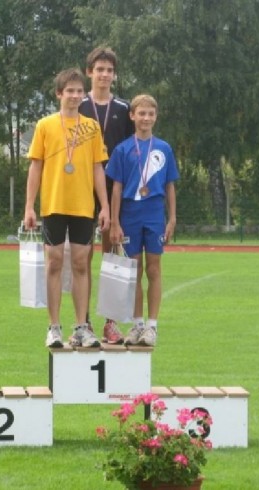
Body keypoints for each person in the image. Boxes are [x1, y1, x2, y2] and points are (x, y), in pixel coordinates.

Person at [24, 68, 110, 349]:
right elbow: (35, 167)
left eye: (79, 91)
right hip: (53, 205)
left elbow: (98, 168)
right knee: (54, 263)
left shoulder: (92, 127)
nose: (74, 95)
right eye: (69, 91)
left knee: (81, 264)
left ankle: (82, 327)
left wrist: (105, 206)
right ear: (59, 94)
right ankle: (54, 328)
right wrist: (29, 206)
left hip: (83, 206)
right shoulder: (45, 125)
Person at [105, 94, 179, 347]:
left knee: (154, 269)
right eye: (141, 113)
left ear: (156, 117)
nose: (146, 118)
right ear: (132, 116)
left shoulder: (164, 148)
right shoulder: (122, 149)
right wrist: (115, 222)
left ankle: (152, 326)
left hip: (155, 214)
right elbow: (116, 188)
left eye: (150, 114)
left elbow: (170, 186)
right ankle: (137, 325)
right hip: (130, 215)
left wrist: (172, 218)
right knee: (134, 271)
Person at [79, 46, 134, 344]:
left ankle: (110, 323)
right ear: (89, 72)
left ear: (114, 75)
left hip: (114, 191)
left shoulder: (124, 109)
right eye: (99, 69)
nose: (104, 75)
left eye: (109, 70)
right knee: (82, 258)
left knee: (111, 257)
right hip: (82, 189)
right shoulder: (78, 104)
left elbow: (130, 152)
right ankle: (84, 321)